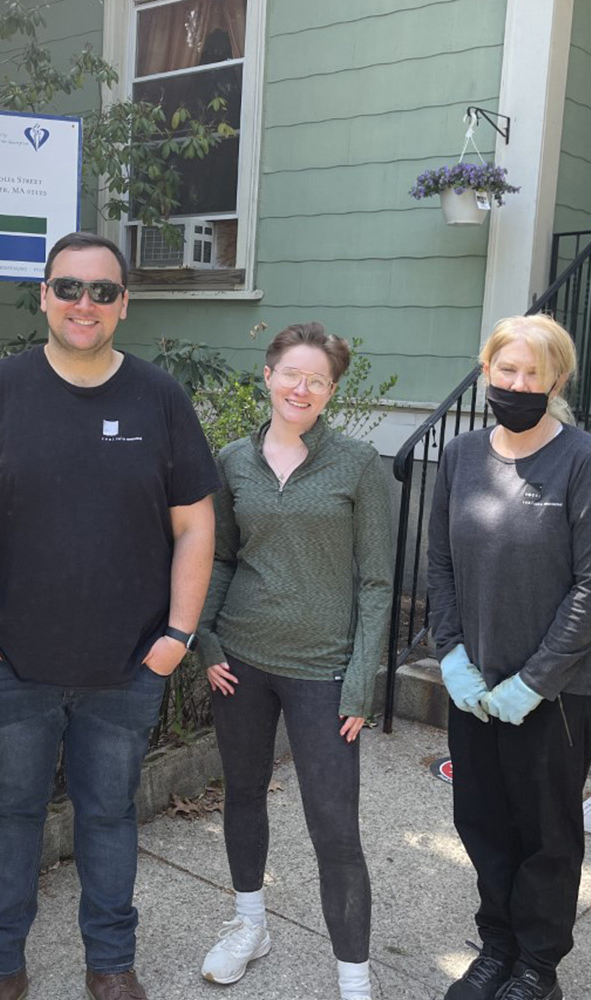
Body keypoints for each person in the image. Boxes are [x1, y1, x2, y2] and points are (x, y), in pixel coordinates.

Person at [0, 232, 220, 1000]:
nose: (84, 304)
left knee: (110, 820)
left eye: (103, 292)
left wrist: (177, 636)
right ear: (43, 295)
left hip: (127, 665)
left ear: (124, 305)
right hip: (15, 666)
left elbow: (195, 523)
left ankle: (111, 965)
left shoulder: (158, 397)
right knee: (10, 821)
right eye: (68, 288)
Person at [427, 315, 591, 1000]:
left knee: (545, 834)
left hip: (558, 693)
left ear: (556, 380)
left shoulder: (585, 461)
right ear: (486, 372)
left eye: (531, 373)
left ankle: (538, 967)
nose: (516, 384)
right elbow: (441, 564)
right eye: (504, 370)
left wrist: (535, 681)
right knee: (480, 821)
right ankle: (498, 947)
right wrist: (450, 653)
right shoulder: (459, 457)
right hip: (474, 686)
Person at [196, 323, 394, 1000]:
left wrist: (360, 680)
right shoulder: (232, 461)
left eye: (317, 380)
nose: (301, 388)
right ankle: (250, 924)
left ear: (331, 391)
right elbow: (219, 557)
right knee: (244, 795)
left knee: (334, 825)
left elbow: (375, 582)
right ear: (268, 375)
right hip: (242, 661)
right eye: (291, 374)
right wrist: (206, 640)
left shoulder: (359, 465)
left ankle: (354, 977)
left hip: (323, 670)